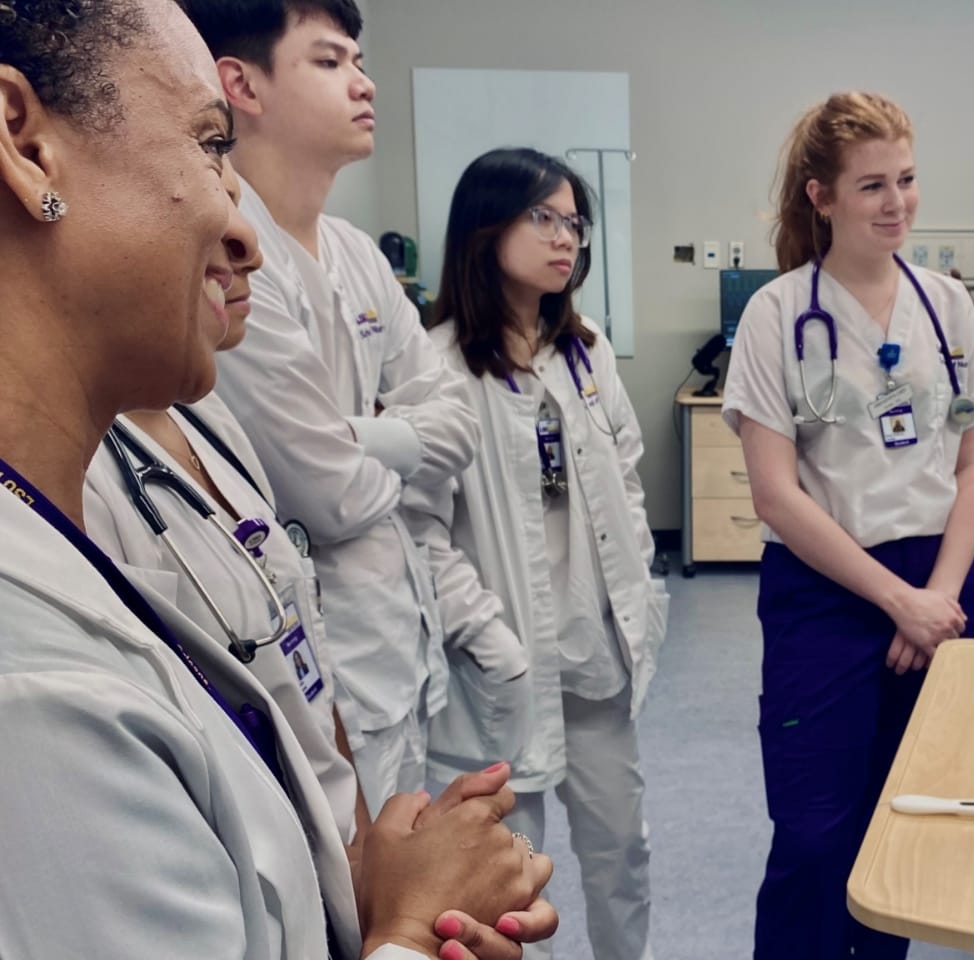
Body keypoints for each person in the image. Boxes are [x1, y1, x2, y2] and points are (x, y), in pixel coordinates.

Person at [0, 1, 555, 956]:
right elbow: (337, 493)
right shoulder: (35, 690)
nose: (244, 234)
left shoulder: (182, 424)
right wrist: (411, 933)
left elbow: (287, 656)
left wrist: (372, 882)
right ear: (26, 143)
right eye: (210, 142)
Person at [721, 91, 974, 960]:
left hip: (941, 583)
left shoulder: (949, 307)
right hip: (827, 591)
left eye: (907, 180)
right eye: (872, 185)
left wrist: (938, 598)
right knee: (813, 833)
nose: (897, 203)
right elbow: (775, 494)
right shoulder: (777, 315)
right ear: (821, 196)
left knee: (903, 828)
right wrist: (896, 601)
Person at [186, 0, 479, 808]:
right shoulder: (233, 255)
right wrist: (396, 454)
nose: (364, 82)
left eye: (358, 59)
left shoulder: (355, 251)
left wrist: (353, 439)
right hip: (312, 659)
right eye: (330, 61)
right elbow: (334, 496)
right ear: (240, 83)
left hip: (396, 641)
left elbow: (457, 420)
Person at [406, 147, 669, 960]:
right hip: (500, 672)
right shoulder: (437, 367)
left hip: (595, 654)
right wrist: (492, 640)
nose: (567, 240)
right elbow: (420, 530)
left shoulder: (585, 351)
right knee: (512, 884)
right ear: (486, 229)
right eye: (543, 218)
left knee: (622, 853)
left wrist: (642, 595)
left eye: (575, 224)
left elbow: (624, 480)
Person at [83, 158, 372, 846]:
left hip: (330, 851)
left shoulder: (205, 417)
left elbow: (302, 660)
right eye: (207, 177)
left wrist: (369, 853)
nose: (248, 244)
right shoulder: (74, 487)